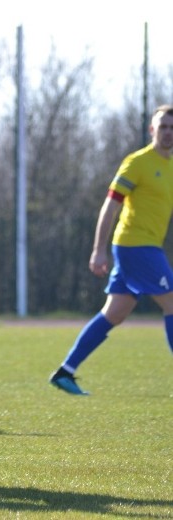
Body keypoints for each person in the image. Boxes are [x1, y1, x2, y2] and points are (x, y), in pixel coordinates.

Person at [49, 104, 173, 396]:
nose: (168, 133)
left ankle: (65, 371)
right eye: (163, 127)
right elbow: (111, 205)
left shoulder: (170, 166)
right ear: (152, 130)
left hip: (146, 246)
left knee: (114, 313)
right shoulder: (137, 163)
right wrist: (98, 249)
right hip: (134, 245)